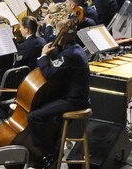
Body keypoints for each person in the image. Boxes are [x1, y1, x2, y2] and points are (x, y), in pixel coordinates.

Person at [26, 21, 91, 165]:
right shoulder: (75, 48)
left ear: (62, 36)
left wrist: (43, 56)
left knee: (34, 117)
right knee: (49, 115)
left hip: (74, 101)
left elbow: (49, 73)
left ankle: (50, 154)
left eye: (56, 32)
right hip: (75, 96)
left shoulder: (70, 55)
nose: (55, 35)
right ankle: (55, 148)